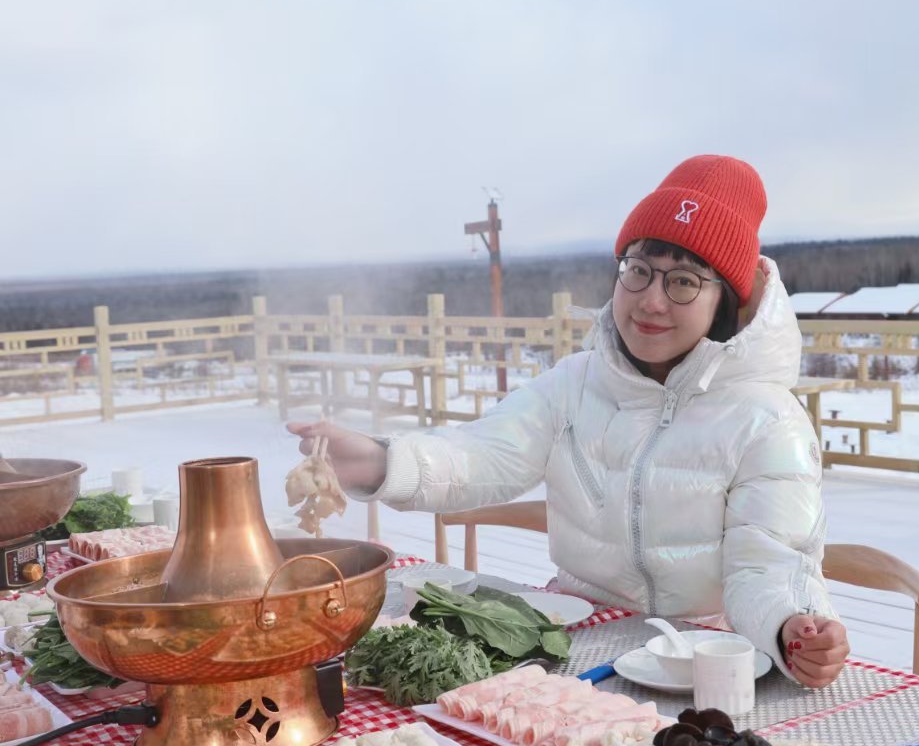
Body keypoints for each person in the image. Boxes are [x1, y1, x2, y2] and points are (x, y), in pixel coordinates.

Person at [289, 155, 849, 687]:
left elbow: (770, 565)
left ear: (725, 300)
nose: (651, 301)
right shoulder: (575, 382)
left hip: (703, 657)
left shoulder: (767, 420)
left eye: (682, 282)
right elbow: (483, 456)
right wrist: (380, 461)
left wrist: (789, 630)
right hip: (576, 637)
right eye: (639, 271)